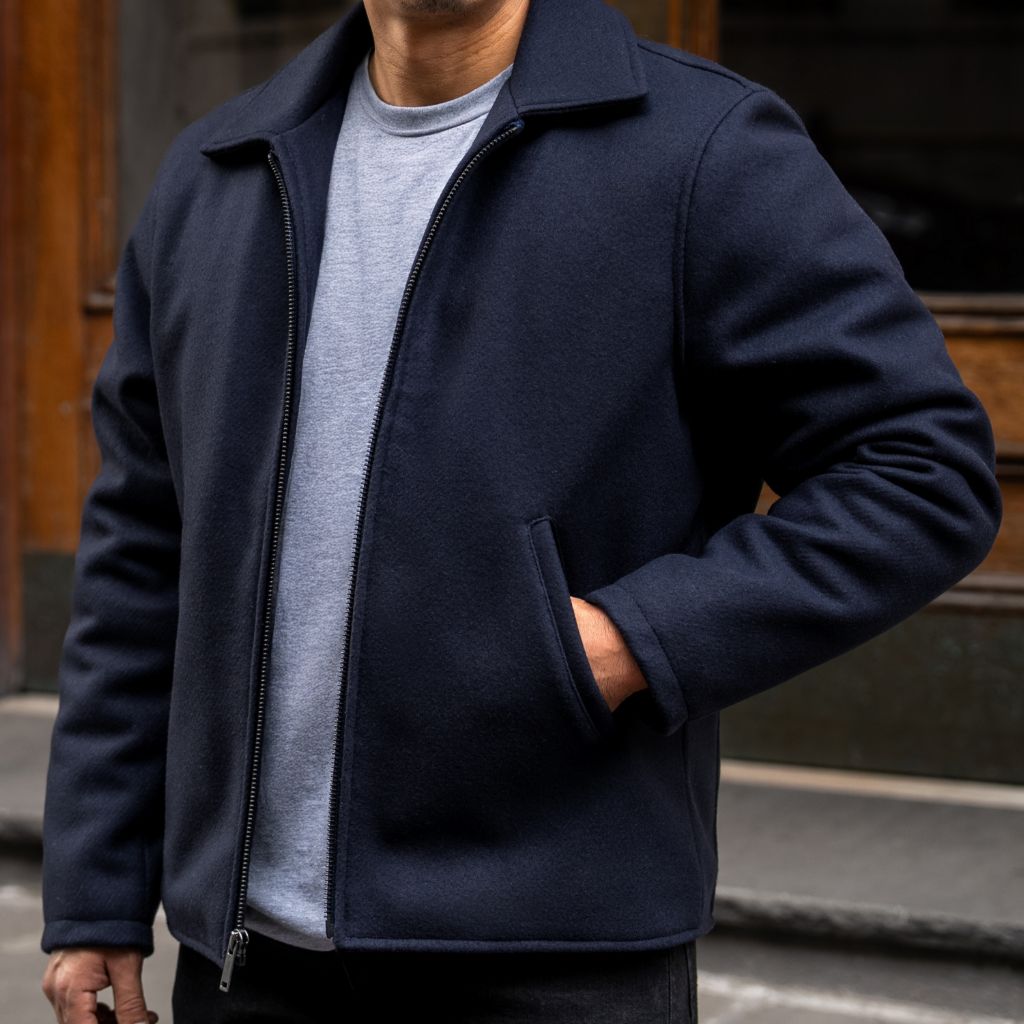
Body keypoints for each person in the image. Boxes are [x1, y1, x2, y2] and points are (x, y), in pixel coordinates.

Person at [40, 0, 1002, 1021]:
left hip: (552, 961)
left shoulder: (703, 149)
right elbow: (142, 558)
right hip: (248, 970)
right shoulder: (218, 173)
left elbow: (921, 469)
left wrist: (626, 641)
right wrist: (97, 890)